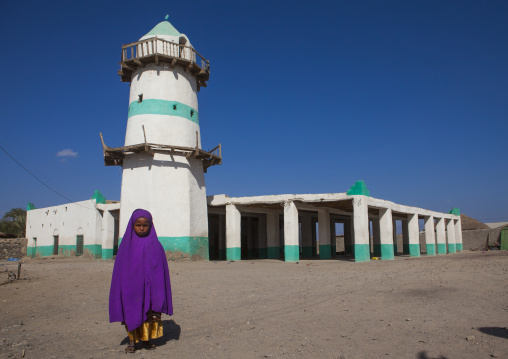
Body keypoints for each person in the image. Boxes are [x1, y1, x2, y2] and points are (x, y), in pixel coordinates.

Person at [109, 209, 173, 353]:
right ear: (132, 225)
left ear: (150, 225)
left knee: (149, 312)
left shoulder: (156, 245)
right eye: (138, 225)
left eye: (145, 225)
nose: (142, 228)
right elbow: (120, 271)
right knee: (131, 311)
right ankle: (132, 341)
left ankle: (146, 339)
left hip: (151, 288)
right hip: (131, 287)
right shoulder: (126, 246)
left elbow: (161, 270)